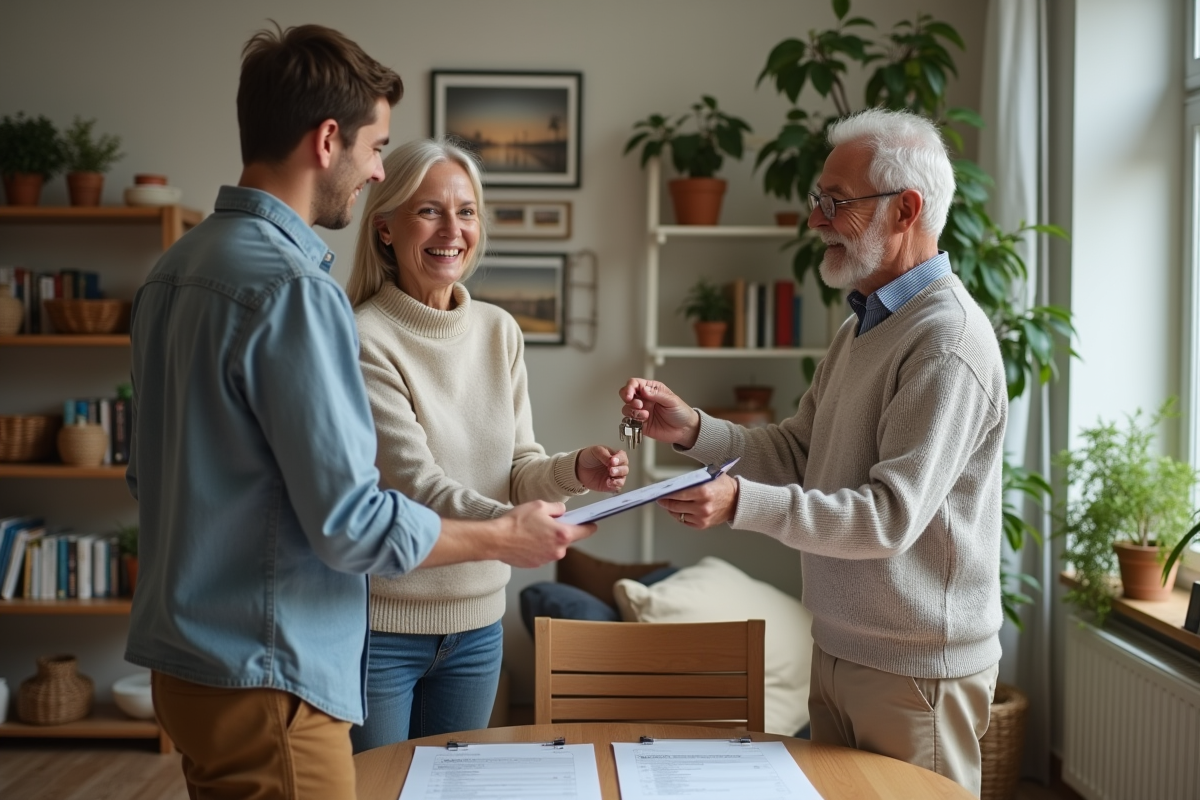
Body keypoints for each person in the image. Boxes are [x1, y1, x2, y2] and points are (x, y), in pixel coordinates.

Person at [124, 23, 594, 799]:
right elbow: (350, 523)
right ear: (326, 140)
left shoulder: (174, 269)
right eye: (375, 148)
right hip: (271, 674)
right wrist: (502, 537)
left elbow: (148, 477)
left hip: (187, 667)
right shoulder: (294, 291)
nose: (376, 169)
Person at [618, 107, 1005, 795]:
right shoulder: (865, 324)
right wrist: (691, 429)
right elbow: (800, 450)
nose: (815, 219)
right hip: (841, 647)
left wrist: (739, 502)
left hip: (916, 671)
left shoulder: (945, 341)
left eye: (836, 202)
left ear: (906, 209)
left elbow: (888, 518)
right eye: (817, 199)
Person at [343, 137, 628, 751]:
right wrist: (513, 528)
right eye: (429, 211)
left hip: (478, 629)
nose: (453, 230)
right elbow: (417, 484)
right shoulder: (365, 337)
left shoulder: (499, 330)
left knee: (457, 789)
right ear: (385, 228)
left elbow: (518, 465)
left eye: (466, 211)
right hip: (381, 631)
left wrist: (575, 470)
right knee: (379, 791)